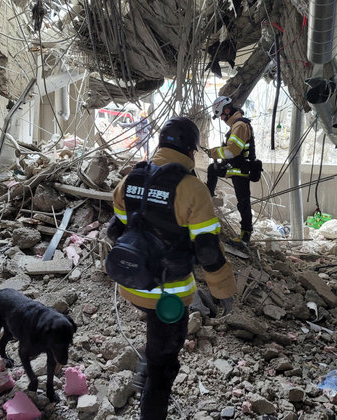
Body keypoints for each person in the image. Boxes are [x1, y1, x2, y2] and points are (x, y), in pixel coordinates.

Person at [107, 116, 236, 419]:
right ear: (192, 152)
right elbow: (206, 249)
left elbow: (115, 231)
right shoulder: (192, 189)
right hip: (169, 293)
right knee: (165, 365)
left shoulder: (130, 180)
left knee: (157, 339)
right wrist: (223, 290)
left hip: (131, 281)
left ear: (160, 144)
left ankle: (145, 368)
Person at [206, 95, 255, 245]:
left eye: (221, 114)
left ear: (227, 110)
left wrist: (214, 152)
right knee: (212, 169)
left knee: (243, 202)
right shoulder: (236, 125)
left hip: (240, 170)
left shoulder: (239, 126)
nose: (221, 118)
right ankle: (208, 197)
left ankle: (245, 237)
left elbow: (232, 151)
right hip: (235, 167)